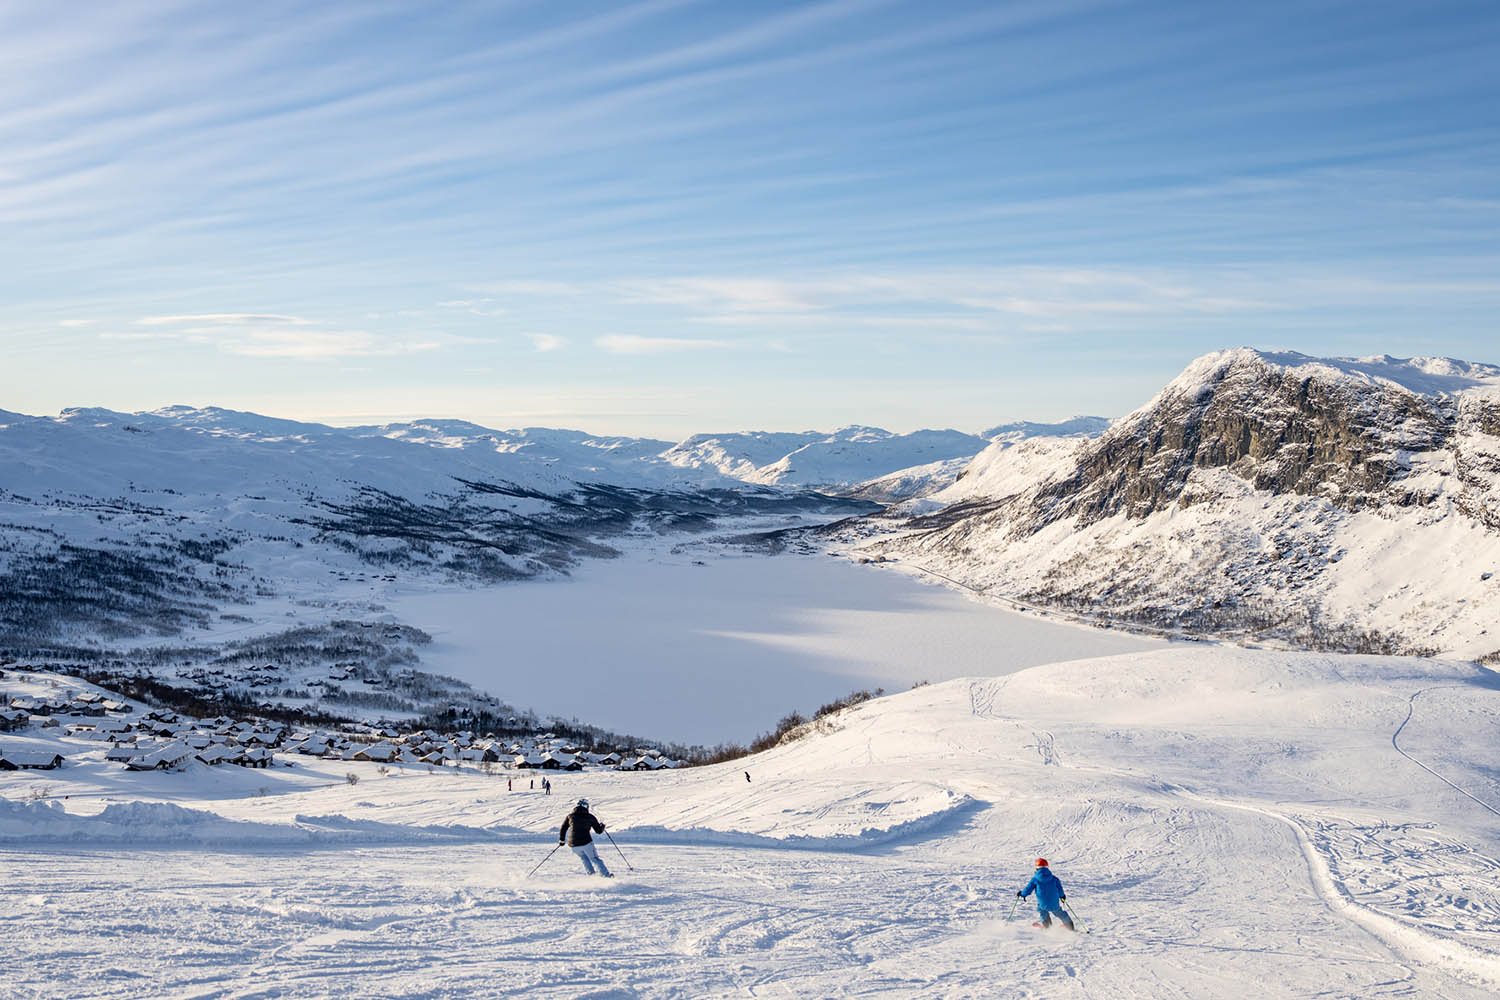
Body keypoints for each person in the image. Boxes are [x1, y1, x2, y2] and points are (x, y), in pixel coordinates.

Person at [559, 798, 612, 877]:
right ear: (586, 807)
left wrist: (562, 840)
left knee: (584, 858)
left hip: (573, 844)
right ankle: (606, 875)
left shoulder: (570, 816)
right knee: (595, 859)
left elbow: (563, 828)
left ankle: (591, 875)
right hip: (586, 842)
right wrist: (602, 826)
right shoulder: (589, 816)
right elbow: (598, 831)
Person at [1018, 858, 1074, 930]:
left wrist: (1022, 894)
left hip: (1043, 903)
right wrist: (1062, 896)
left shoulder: (1035, 879)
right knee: (1060, 913)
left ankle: (1047, 927)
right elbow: (1060, 890)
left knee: (1042, 911)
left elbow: (1028, 889)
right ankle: (1070, 927)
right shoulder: (1054, 878)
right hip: (1054, 902)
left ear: (1036, 868)